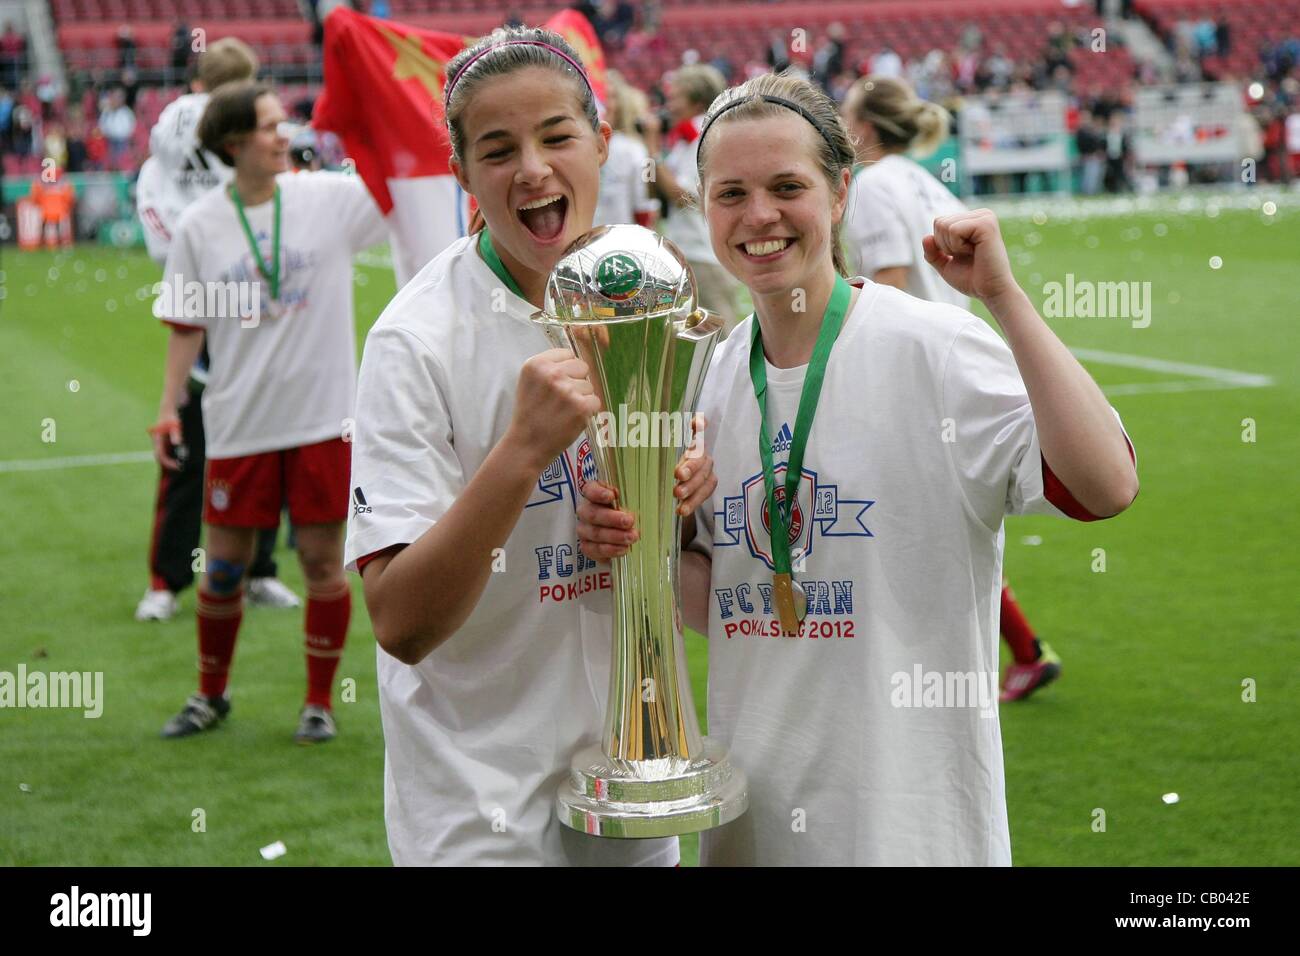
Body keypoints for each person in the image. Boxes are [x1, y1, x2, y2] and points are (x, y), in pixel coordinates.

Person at [577, 72, 1138, 865]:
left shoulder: (932, 349)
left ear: (840, 193)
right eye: (730, 192)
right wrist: (640, 541)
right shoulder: (709, 373)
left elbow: (1106, 483)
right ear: (703, 205)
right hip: (753, 827)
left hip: (912, 830)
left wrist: (1004, 298)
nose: (759, 215)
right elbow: (730, 604)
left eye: (787, 186)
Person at [345, 26, 712, 865]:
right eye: (499, 149)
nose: (534, 169)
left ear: (602, 142)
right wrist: (520, 454)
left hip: (631, 778)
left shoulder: (650, 295)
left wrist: (678, 504)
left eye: (556, 136)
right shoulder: (417, 339)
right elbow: (400, 621)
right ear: (463, 173)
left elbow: (695, 574)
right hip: (480, 807)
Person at [150, 80, 387, 743]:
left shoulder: (327, 199)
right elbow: (186, 325)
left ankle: (319, 702)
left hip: (323, 418)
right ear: (233, 142)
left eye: (284, 123)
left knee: (320, 564)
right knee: (222, 569)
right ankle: (209, 694)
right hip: (239, 420)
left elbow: (399, 194)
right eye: (268, 126)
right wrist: (169, 408)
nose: (285, 135)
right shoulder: (201, 225)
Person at [842, 75, 1063, 700]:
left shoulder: (877, 184)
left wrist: (870, 368)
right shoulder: (920, 178)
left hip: (911, 374)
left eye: (848, 114)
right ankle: (1023, 650)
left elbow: (887, 281)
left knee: (919, 525)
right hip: (949, 361)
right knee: (945, 518)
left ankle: (970, 661)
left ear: (866, 128)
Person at [135, 37, 300, 623]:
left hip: (243, 297)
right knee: (199, 438)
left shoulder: (191, 134)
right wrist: (194, 250)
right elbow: (161, 207)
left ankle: (242, 572)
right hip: (220, 295)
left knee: (258, 440)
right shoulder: (187, 134)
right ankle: (171, 577)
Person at [646, 63, 743, 334]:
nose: (669, 105)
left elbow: (681, 196)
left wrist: (653, 148)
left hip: (703, 254)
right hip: (688, 252)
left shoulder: (705, 136)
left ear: (697, 100)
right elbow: (659, 190)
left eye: (676, 97)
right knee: (692, 341)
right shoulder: (683, 140)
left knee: (720, 337)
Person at [592, 69, 652, 228]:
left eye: (611, 96)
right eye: (599, 96)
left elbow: (647, 191)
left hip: (623, 241)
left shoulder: (636, 148)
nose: (605, 104)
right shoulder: (575, 147)